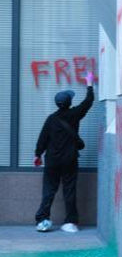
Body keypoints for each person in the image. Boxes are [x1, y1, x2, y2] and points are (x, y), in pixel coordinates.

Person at [34, 74, 94, 233]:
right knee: (69, 190)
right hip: (70, 159)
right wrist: (89, 83)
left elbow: (43, 138)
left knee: (49, 190)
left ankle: (42, 220)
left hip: (52, 160)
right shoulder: (74, 114)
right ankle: (70, 222)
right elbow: (88, 102)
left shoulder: (51, 119)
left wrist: (37, 154)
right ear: (69, 102)